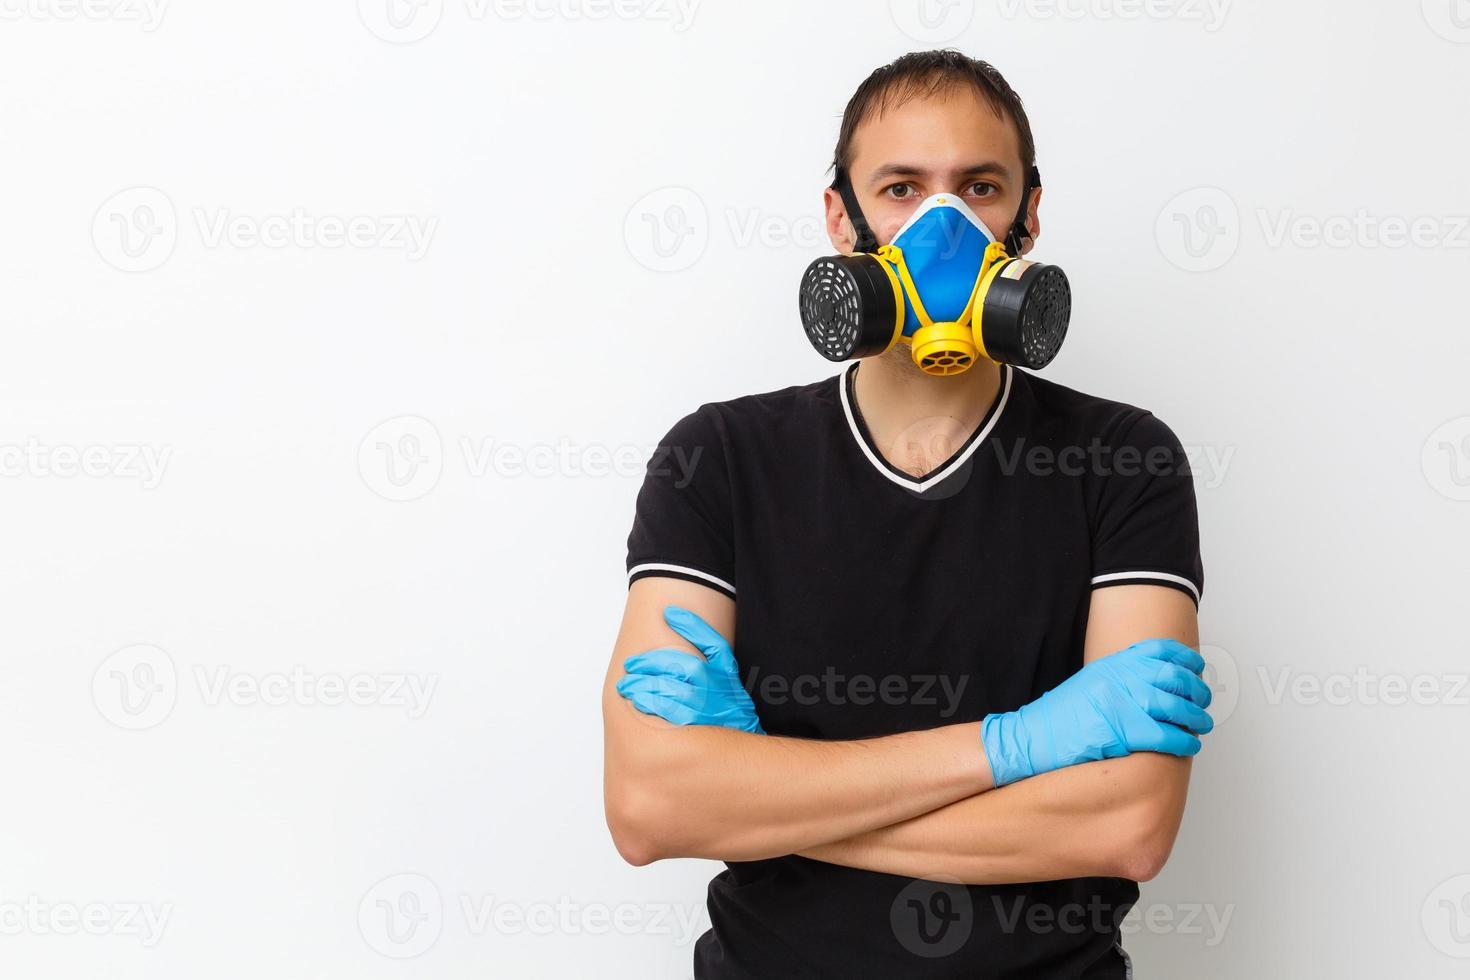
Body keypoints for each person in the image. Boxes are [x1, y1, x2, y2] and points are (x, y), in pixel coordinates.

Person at [602, 49, 1213, 978]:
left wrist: (766, 789)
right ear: (840, 217)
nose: (943, 226)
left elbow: (1127, 826)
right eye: (899, 189)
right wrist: (1022, 746)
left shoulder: (1125, 460)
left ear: (1029, 216)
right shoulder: (717, 459)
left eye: (979, 186)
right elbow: (650, 809)